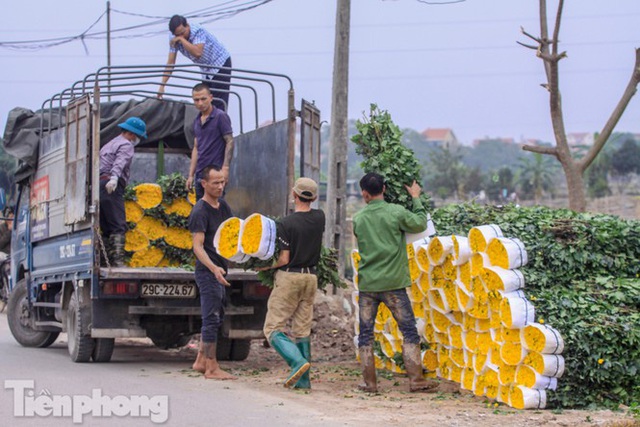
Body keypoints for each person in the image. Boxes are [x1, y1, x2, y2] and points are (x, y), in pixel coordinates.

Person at [352, 172, 439, 394]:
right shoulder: (396, 212)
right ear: (385, 189)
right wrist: (416, 197)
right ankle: (416, 381)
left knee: (365, 334)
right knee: (408, 330)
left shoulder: (359, 219)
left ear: (364, 193)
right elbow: (420, 223)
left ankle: (369, 383)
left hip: (368, 285)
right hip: (393, 284)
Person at [259, 177, 325, 389]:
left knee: (272, 328)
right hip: (311, 278)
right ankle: (304, 382)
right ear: (314, 198)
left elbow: (284, 259)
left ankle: (297, 362)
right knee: (302, 329)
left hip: (290, 277)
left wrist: (265, 267)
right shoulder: (320, 217)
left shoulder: (286, 223)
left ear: (294, 195)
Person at [188, 165, 236, 380]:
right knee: (211, 318)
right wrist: (213, 267)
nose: (220, 186)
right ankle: (211, 367)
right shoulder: (199, 211)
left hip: (221, 270)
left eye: (222, 182)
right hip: (208, 271)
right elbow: (197, 246)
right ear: (204, 184)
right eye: (215, 182)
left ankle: (200, 361)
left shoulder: (223, 206)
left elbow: (232, 231)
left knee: (219, 314)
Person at [158, 14, 232, 111]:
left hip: (219, 63)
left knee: (218, 101)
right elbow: (171, 63)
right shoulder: (173, 38)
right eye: (177, 34)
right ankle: (207, 124)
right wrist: (162, 85)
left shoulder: (197, 31)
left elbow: (197, 53)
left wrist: (181, 39)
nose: (180, 36)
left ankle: (220, 123)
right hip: (205, 69)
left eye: (182, 33)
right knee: (205, 101)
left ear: (187, 25)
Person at [99, 117, 147, 267]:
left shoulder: (109, 144)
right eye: (137, 136)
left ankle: (104, 260)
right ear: (132, 134)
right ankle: (117, 261)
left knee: (106, 226)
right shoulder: (126, 145)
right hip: (112, 186)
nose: (136, 139)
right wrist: (114, 179)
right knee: (118, 225)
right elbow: (120, 162)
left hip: (99, 186)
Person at [186, 83, 234, 201]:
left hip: (216, 175)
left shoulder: (220, 117)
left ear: (211, 98)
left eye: (203, 99)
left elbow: (230, 141)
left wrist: (225, 168)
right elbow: (196, 148)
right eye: (196, 100)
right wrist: (190, 175)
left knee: (216, 208)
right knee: (201, 209)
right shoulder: (197, 121)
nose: (200, 103)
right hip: (200, 175)